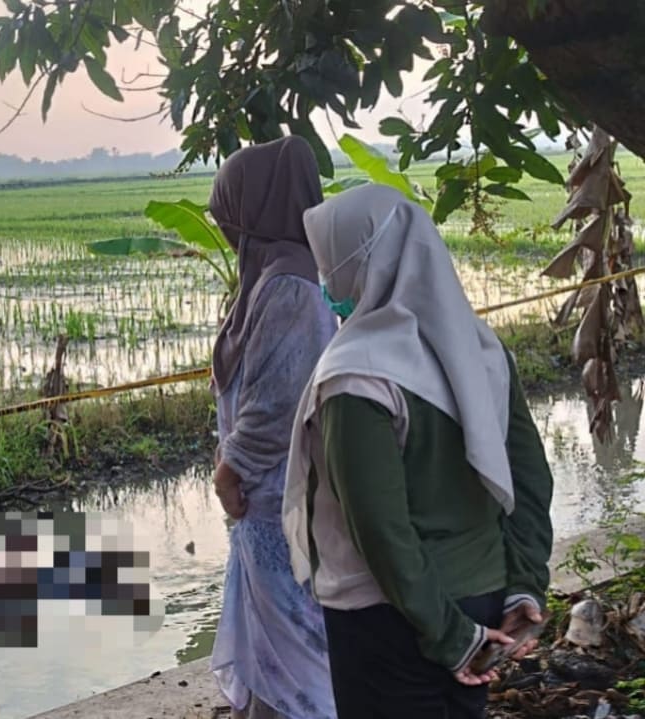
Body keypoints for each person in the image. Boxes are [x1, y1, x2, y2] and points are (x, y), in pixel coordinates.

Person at [283, 183, 555, 718]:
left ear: (357, 261)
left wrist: (452, 637)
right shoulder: (480, 347)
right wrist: (524, 584)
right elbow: (529, 478)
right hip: (484, 599)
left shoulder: (355, 376)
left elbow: (381, 532)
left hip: (392, 618)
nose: (326, 282)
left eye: (328, 264)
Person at [207, 136, 338, 719]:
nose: (225, 224)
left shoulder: (287, 285)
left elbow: (278, 401)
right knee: (276, 644)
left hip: (277, 501)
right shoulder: (281, 275)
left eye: (230, 209)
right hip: (270, 501)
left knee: (295, 647)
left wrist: (230, 470)